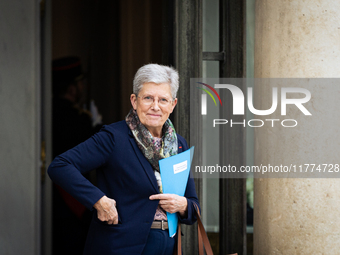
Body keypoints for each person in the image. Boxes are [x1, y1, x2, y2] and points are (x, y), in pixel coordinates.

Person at [48, 64, 200, 255]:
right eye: (148, 98)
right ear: (134, 101)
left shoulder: (179, 144)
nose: (155, 106)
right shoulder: (113, 137)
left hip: (168, 246)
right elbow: (60, 166)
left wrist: (184, 205)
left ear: (173, 104)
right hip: (122, 246)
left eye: (163, 99)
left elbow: (193, 206)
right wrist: (98, 200)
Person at [52, 56, 102, 254]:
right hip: (72, 197)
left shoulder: (51, 112)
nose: (83, 86)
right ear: (72, 88)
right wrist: (96, 126)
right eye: (80, 82)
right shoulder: (77, 118)